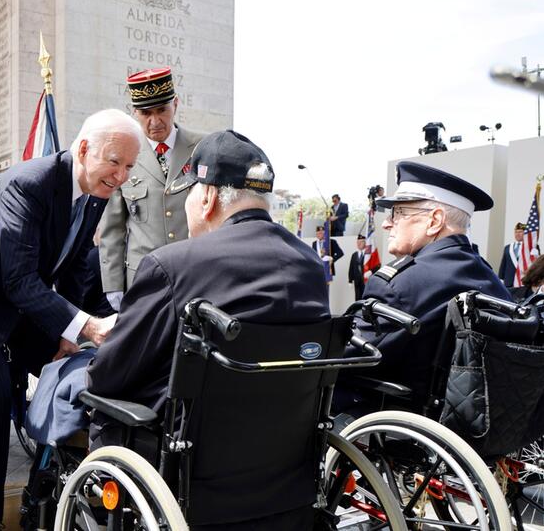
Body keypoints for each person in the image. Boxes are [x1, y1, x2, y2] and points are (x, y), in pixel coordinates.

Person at [85, 130, 329, 529]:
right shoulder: (308, 266)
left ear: (209, 197)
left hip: (193, 480)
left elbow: (112, 374)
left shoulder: (174, 265)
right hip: (286, 479)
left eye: (190, 195)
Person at [0, 108, 141, 530]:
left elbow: (79, 264)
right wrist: (87, 326)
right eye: (114, 162)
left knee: (67, 367)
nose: (121, 176)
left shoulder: (96, 190)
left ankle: (45, 492)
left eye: (130, 167)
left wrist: (70, 332)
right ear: (83, 150)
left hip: (18, 296)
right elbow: (20, 280)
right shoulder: (30, 183)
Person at [342, 161, 510, 408]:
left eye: (398, 213)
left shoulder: (400, 284)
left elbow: (349, 360)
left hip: (400, 428)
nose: (387, 223)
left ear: (435, 221)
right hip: (475, 428)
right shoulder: (492, 281)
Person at [98, 66, 205, 310]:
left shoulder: (202, 148)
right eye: (146, 113)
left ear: (175, 104)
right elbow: (112, 229)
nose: (155, 121)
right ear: (134, 113)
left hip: (195, 273)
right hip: (144, 280)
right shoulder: (123, 156)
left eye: (161, 110)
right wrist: (113, 284)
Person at [498, 222, 534, 287]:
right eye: (516, 232)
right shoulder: (508, 247)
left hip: (524, 281)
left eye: (520, 232)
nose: (517, 234)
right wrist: (500, 279)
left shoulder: (530, 247)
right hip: (509, 282)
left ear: (525, 233)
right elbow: (503, 265)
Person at [348, 234, 370, 300]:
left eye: (361, 242)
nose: (359, 244)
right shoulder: (354, 255)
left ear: (365, 243)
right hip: (357, 281)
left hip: (366, 280)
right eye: (358, 242)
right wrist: (350, 280)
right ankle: (358, 310)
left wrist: (371, 271)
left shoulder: (368, 255)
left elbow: (376, 265)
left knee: (365, 297)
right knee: (357, 297)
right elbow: (351, 268)